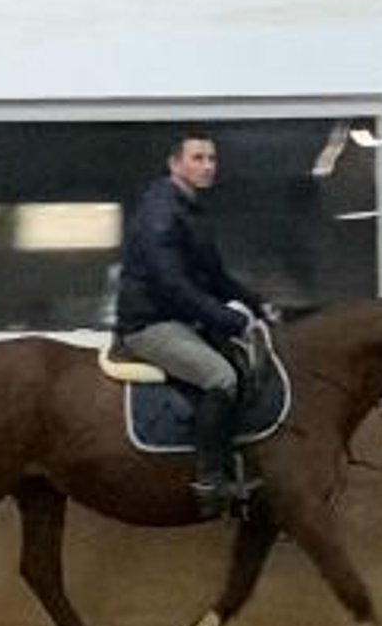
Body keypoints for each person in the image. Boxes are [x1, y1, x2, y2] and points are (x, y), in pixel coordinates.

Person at [116, 129, 272, 517]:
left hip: (181, 318)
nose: (207, 166)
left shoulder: (190, 210)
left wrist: (262, 305)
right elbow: (173, 286)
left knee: (244, 365)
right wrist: (229, 319)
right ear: (175, 164)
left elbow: (216, 277)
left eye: (212, 159)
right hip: (151, 324)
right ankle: (209, 480)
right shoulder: (161, 213)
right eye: (198, 158)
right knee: (221, 377)